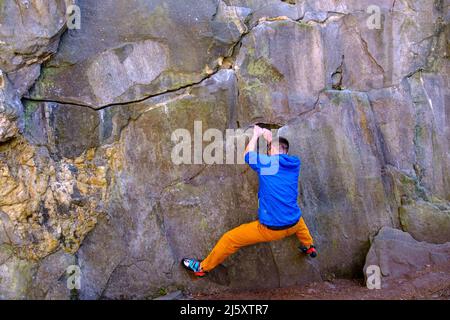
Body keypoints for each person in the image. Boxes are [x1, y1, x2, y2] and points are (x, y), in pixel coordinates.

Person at [182, 125, 317, 277]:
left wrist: (256, 134)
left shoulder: (267, 164)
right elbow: (277, 156)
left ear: (270, 151)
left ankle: (202, 268)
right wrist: (271, 142)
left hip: (272, 229)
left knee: (230, 239)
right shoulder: (294, 164)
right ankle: (309, 246)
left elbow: (247, 154)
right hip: (294, 223)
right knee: (299, 221)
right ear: (286, 151)